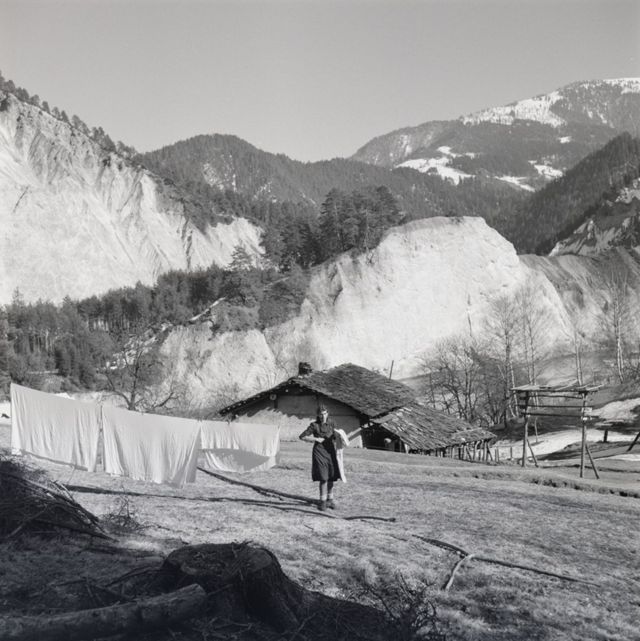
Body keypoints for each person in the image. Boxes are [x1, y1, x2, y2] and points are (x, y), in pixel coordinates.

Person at [299, 404, 342, 511]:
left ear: (327, 413)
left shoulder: (332, 423)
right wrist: (316, 439)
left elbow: (336, 435)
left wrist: (339, 437)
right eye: (321, 414)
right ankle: (322, 502)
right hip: (319, 452)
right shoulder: (314, 425)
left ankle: (330, 500)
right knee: (323, 478)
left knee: (331, 476)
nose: (323, 416)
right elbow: (302, 436)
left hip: (330, 452)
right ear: (318, 415)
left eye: (324, 414)